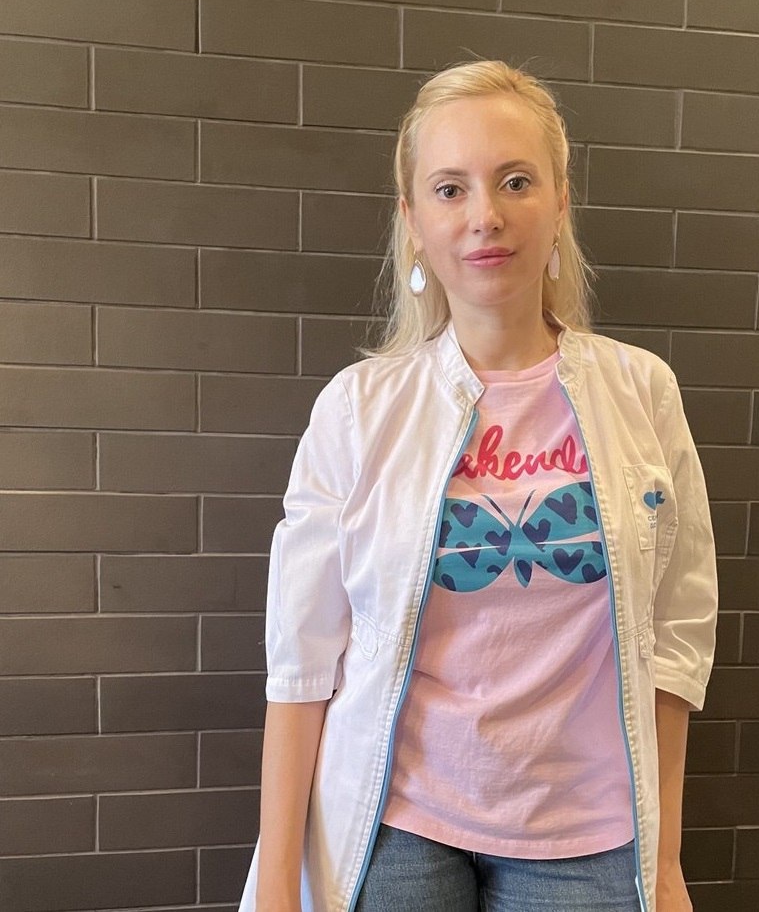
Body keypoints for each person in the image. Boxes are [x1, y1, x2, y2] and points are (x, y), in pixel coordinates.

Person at [238, 60, 718, 912]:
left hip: (591, 836)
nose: (485, 215)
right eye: (450, 188)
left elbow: (677, 639)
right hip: (395, 825)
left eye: (515, 181)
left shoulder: (643, 392)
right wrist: (277, 879)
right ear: (414, 221)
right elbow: (302, 658)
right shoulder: (357, 410)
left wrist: (668, 856)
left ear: (561, 201)